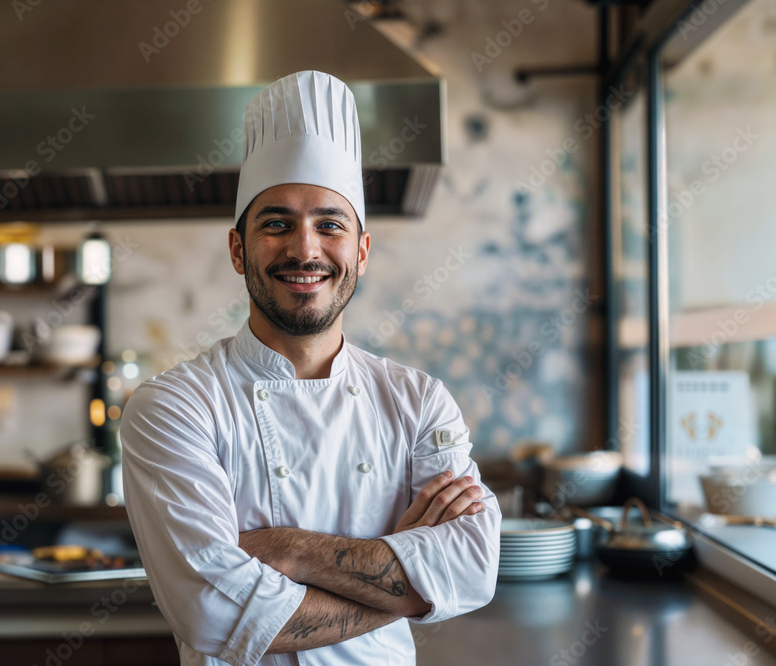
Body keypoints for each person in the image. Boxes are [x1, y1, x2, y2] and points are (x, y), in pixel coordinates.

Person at [121, 70, 500, 666]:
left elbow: (473, 568)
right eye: (276, 224)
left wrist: (289, 551)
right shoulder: (174, 407)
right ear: (238, 249)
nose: (304, 249)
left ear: (362, 251)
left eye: (330, 224)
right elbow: (212, 616)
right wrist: (410, 583)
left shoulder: (418, 401)